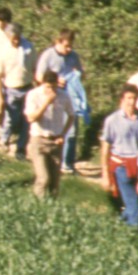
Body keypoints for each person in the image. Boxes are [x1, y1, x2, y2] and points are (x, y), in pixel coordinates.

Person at [33, 30, 87, 173]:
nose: (69, 49)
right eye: (66, 46)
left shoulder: (73, 56)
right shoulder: (48, 55)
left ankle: (68, 164)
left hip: (69, 97)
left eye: (71, 46)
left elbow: (81, 73)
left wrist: (78, 75)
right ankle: (56, 160)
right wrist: (56, 81)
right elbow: (39, 76)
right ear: (58, 42)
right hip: (52, 97)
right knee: (56, 129)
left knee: (72, 128)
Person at [98, 86, 138, 228]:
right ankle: (134, 237)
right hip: (122, 166)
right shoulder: (112, 120)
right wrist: (105, 174)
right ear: (122, 99)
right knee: (133, 205)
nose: (132, 102)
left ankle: (117, 226)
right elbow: (105, 148)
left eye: (134, 98)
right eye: (129, 98)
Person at [23, 68, 75, 198]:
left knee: (54, 182)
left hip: (55, 141)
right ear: (42, 83)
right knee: (43, 178)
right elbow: (31, 118)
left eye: (53, 87)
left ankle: (52, 209)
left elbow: (71, 115)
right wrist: (46, 103)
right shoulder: (33, 95)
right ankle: (37, 205)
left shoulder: (63, 96)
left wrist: (63, 134)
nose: (51, 90)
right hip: (39, 140)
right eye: (47, 87)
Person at [0, 9, 32, 155]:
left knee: (27, 120)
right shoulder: (2, 50)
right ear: (8, 37)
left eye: (18, 38)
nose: (16, 41)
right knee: (11, 118)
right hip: (11, 88)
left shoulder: (28, 47)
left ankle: (21, 148)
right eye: (13, 38)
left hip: (27, 87)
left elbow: (35, 67)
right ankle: (4, 139)